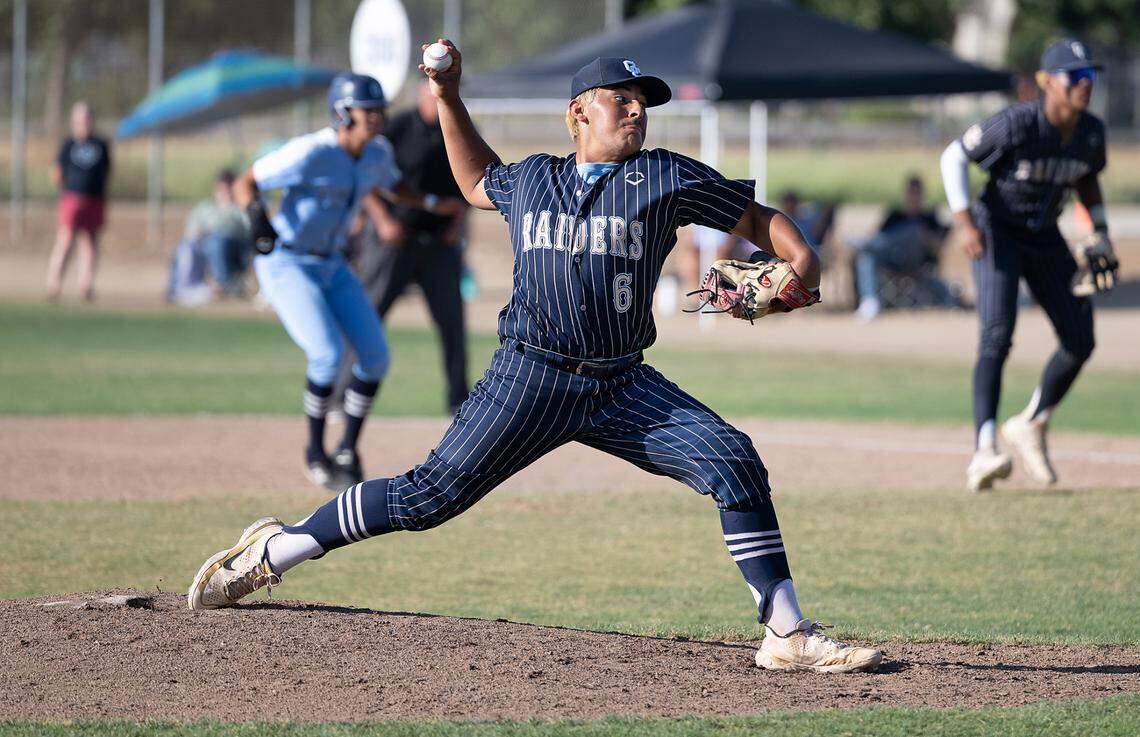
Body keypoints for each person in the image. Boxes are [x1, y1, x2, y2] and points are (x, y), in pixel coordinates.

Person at [188, 47, 883, 675]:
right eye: (624, 97)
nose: (638, 109)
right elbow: (472, 179)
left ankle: (786, 631)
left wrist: (804, 259)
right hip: (530, 375)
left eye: (645, 101)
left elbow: (755, 218)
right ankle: (272, 551)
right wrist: (449, 95)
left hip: (620, 383)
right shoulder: (534, 180)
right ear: (579, 112)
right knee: (426, 498)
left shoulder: (664, 177)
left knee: (732, 457)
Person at [234, 73, 463, 492]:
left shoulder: (376, 151)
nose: (376, 117)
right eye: (367, 110)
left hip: (332, 263)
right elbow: (245, 182)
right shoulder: (311, 152)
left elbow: (393, 186)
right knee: (327, 354)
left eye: (379, 110)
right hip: (287, 261)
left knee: (375, 356)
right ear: (342, 112)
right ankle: (315, 454)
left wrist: (432, 203)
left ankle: (347, 450)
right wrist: (256, 219)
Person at [940, 39, 1116, 492]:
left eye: (1090, 77)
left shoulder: (1090, 132)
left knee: (1080, 338)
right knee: (997, 334)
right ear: (1047, 82)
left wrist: (1098, 232)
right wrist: (963, 221)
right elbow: (954, 155)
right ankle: (984, 447)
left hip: (1044, 234)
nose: (1085, 85)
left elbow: (1087, 179)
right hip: (997, 229)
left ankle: (1033, 422)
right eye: (1075, 77)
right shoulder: (1019, 122)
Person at [336, 81, 472, 415]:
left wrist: (457, 225)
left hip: (438, 243)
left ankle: (459, 401)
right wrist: (382, 219)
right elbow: (362, 175)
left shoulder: (460, 127)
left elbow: (473, 179)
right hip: (393, 239)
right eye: (433, 95)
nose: (439, 102)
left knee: (452, 323)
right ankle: (338, 398)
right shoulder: (396, 128)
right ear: (421, 96)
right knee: (367, 316)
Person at [850, 176, 954, 321]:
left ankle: (862, 243)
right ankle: (870, 301)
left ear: (923, 194)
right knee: (867, 256)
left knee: (913, 231)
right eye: (911, 192)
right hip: (893, 259)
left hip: (917, 260)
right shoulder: (895, 215)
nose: (914, 196)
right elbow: (876, 234)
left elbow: (938, 248)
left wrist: (926, 236)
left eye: (917, 192)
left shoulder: (929, 217)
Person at [46, 102, 111, 302]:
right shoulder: (68, 145)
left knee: (89, 242)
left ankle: (86, 286)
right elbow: (57, 172)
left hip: (95, 199)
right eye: (81, 121)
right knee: (65, 240)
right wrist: (67, 190)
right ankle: (53, 284)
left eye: (87, 120)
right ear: (74, 123)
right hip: (72, 198)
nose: (85, 124)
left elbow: (108, 171)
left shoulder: (100, 145)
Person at [167, 170, 251, 304]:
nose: (224, 192)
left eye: (228, 189)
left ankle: (223, 285)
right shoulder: (205, 208)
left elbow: (247, 231)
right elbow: (192, 229)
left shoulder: (240, 209)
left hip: (232, 249)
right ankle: (180, 287)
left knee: (217, 241)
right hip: (203, 247)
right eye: (221, 189)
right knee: (187, 243)